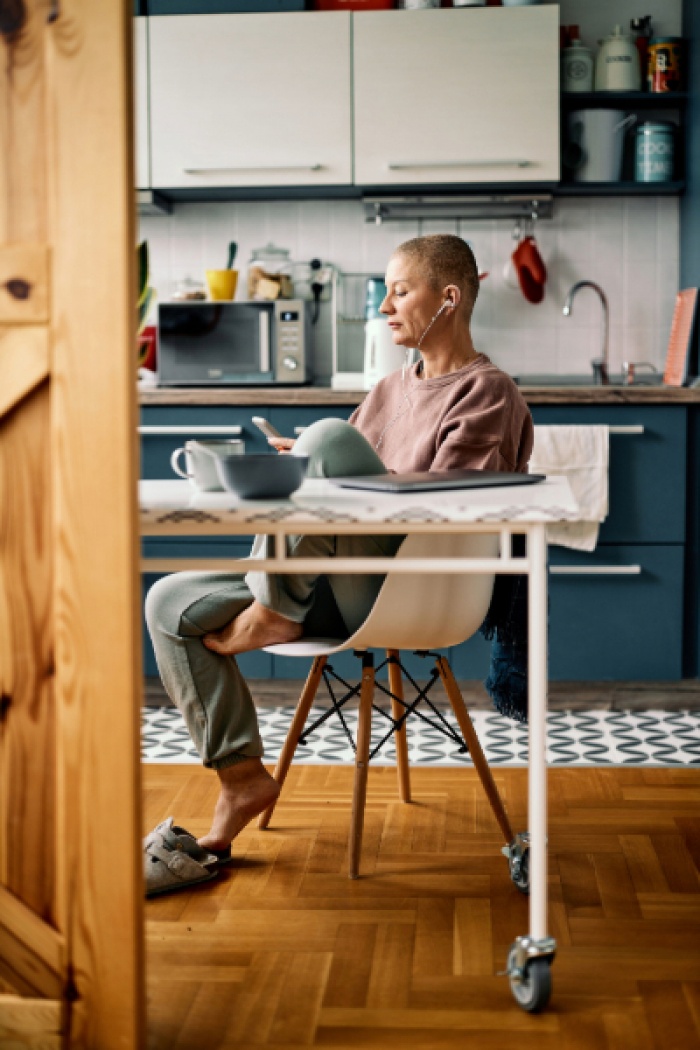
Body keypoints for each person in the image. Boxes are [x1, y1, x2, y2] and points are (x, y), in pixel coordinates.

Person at [144, 234, 534, 887]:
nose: (384, 305)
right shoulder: (387, 389)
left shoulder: (488, 391)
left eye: (399, 290)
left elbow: (456, 513)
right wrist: (309, 458)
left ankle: (275, 611)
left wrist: (336, 455)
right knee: (168, 603)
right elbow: (339, 488)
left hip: (407, 585)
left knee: (329, 436)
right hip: (328, 576)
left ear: (450, 297)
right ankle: (240, 779)